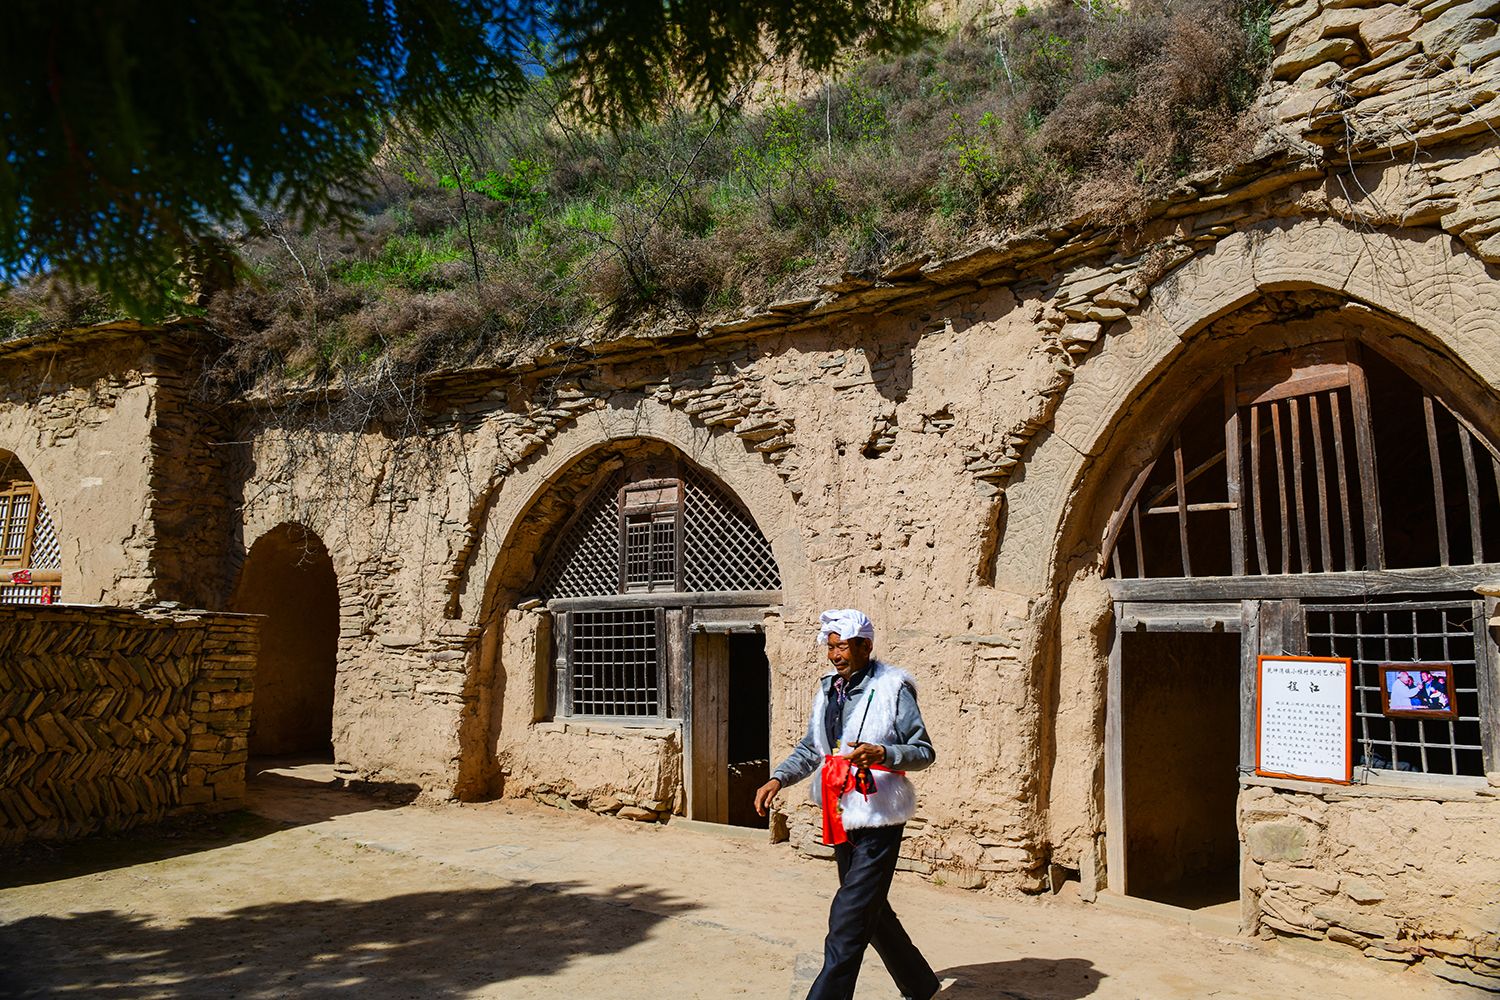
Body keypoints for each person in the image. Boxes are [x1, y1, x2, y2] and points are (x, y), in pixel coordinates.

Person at [754, 608, 940, 1000]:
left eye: (844, 647)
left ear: (866, 646)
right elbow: (812, 749)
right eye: (831, 646)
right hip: (840, 813)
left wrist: (884, 754)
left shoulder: (893, 687)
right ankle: (920, 984)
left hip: (879, 816)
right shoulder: (827, 690)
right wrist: (777, 778)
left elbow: (923, 751)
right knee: (870, 911)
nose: (836, 655)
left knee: (848, 917)